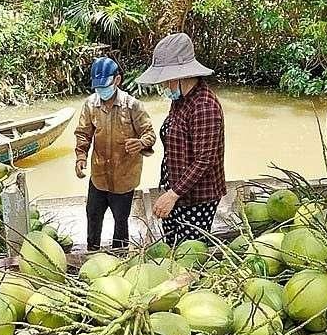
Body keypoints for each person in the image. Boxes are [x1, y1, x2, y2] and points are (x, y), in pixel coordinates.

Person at [136, 33, 226, 245]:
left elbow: (204, 159)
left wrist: (172, 195)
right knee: (170, 248)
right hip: (174, 190)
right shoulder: (180, 100)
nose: (165, 86)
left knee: (189, 252)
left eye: (167, 80)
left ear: (182, 75)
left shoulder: (204, 106)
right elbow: (174, 139)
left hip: (195, 198)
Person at [74, 57, 156, 251]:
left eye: (105, 85)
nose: (101, 91)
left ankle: (120, 255)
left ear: (117, 80)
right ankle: (92, 252)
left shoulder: (133, 106)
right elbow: (83, 133)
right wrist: (80, 157)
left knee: (121, 221)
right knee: (93, 216)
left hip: (124, 177)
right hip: (99, 177)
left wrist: (141, 143)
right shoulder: (90, 105)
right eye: (97, 87)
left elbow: (150, 134)